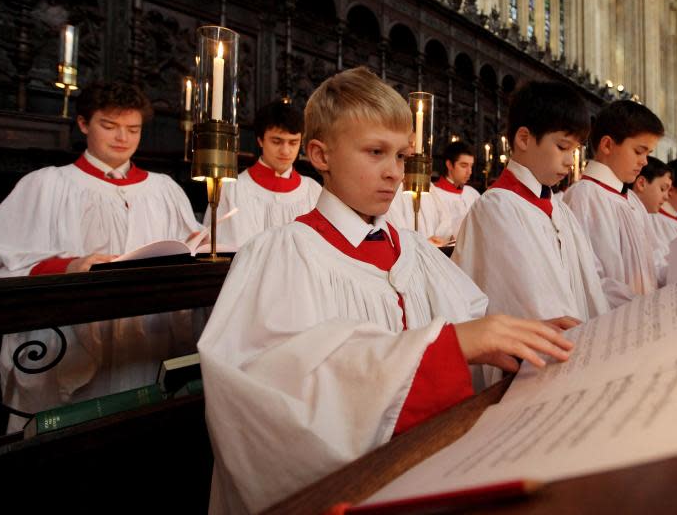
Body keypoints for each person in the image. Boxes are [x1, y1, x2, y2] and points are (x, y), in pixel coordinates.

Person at [197, 67, 578, 513]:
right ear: (320, 155)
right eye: (375, 152)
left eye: (401, 156)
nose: (395, 173)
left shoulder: (416, 252)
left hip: (435, 468)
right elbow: (267, 395)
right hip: (353, 491)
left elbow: (471, 338)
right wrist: (448, 348)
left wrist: (512, 340)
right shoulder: (281, 255)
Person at [0, 81, 204, 430]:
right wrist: (71, 265)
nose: (122, 138)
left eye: (133, 129)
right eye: (108, 126)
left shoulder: (164, 189)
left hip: (145, 335)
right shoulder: (47, 185)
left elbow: (191, 245)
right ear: (83, 124)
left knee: (143, 422)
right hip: (70, 335)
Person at [452, 80, 610, 326]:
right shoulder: (498, 208)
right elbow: (528, 306)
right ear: (524, 139)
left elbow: (587, 287)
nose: (570, 161)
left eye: (575, 150)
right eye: (562, 147)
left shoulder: (559, 208)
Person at [563, 100, 664, 307]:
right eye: (639, 151)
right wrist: (641, 305)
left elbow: (654, 260)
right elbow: (590, 279)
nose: (644, 161)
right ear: (607, 145)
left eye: (648, 154)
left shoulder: (632, 199)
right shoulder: (584, 196)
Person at [211, 101, 321, 247]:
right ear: (260, 140)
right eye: (277, 141)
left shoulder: (313, 192)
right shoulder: (232, 190)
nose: (286, 151)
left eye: (293, 143)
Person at [422, 140, 481, 241]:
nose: (469, 172)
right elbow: (430, 232)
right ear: (449, 164)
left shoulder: (473, 193)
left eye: (471, 166)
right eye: (464, 165)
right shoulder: (432, 193)